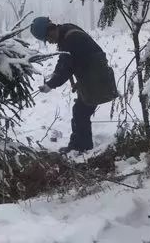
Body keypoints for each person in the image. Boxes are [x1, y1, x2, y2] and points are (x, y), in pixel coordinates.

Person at [31, 16, 118, 153]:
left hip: (96, 79)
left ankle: (81, 147)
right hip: (92, 77)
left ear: (50, 30)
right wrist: (53, 79)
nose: (50, 41)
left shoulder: (70, 38)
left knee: (80, 112)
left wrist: (50, 85)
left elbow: (66, 66)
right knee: (80, 111)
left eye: (48, 38)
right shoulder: (66, 32)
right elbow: (65, 60)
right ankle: (79, 145)